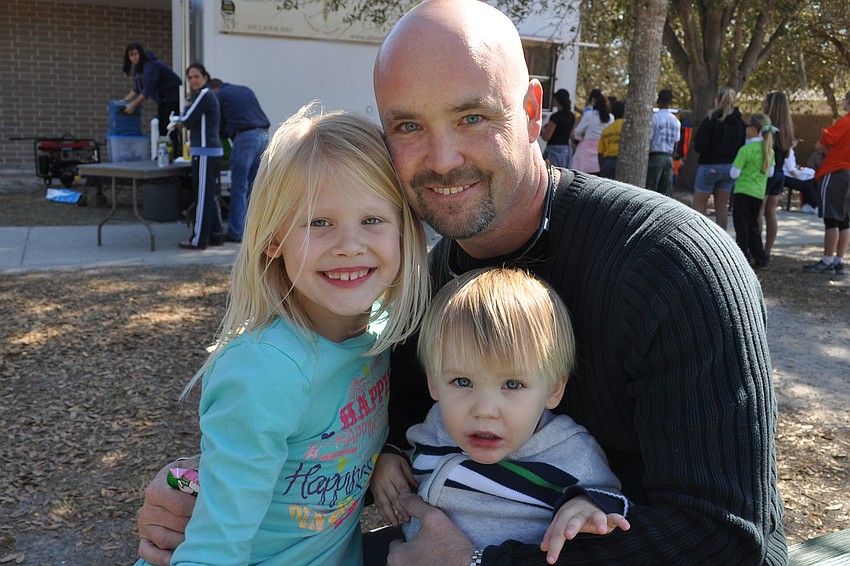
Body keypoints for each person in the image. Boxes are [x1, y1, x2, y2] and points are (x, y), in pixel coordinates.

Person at [137, 1, 787, 564]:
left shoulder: (671, 264)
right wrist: (196, 482)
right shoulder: (424, 286)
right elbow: (348, 436)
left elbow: (729, 540)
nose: (442, 159)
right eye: (409, 126)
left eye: (471, 116)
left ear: (532, 109)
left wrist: (479, 564)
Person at [135, 103, 429, 566]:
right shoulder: (264, 372)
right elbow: (215, 548)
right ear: (273, 238)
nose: (350, 244)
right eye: (319, 222)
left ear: (403, 232)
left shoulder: (380, 338)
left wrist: (384, 458)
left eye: (372, 219)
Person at [371, 267, 630, 565]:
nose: (484, 410)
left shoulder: (569, 451)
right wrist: (391, 456)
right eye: (462, 382)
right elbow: (415, 448)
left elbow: (611, 499)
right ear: (433, 382)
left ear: (554, 389)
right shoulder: (437, 425)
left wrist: (585, 506)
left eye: (512, 384)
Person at [207, 78, 270, 243]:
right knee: (255, 188)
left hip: (245, 139)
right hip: (264, 137)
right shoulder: (245, 89)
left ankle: (236, 232)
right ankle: (255, 231)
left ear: (214, 89)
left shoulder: (219, 95)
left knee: (239, 187)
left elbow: (218, 125)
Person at [175, 64, 225, 250]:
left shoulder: (204, 94)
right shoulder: (203, 96)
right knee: (210, 195)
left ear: (205, 77)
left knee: (203, 196)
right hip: (206, 151)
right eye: (190, 77)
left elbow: (186, 119)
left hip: (205, 151)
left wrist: (184, 112)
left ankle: (198, 239)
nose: (193, 80)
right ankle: (215, 235)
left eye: (197, 76)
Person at [802, 90, 850, 275]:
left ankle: (827, 260)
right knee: (845, 219)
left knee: (832, 219)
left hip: (835, 172)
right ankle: (839, 261)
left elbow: (821, 143)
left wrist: (827, 147)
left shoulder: (845, 122)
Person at [692, 87, 747, 229]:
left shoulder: (711, 119)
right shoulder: (740, 123)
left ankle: (697, 237)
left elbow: (700, 145)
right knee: (722, 209)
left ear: (717, 99)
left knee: (698, 208)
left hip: (709, 165)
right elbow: (742, 145)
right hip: (729, 167)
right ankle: (721, 242)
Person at [122, 42, 183, 159]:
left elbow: (147, 90)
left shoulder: (150, 65)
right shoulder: (138, 69)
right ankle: (165, 154)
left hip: (172, 96)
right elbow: (137, 88)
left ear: (140, 53)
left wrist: (133, 105)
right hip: (162, 99)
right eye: (131, 55)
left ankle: (173, 155)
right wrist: (123, 102)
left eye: (135, 54)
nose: (134, 57)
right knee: (162, 127)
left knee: (170, 127)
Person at [731, 113, 776, 269]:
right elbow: (770, 173)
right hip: (758, 192)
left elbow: (734, 173)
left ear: (753, 129)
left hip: (743, 190)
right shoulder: (769, 151)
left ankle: (742, 255)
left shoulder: (746, 149)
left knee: (741, 226)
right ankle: (760, 256)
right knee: (753, 225)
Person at [760, 92, 796, 258]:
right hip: (780, 173)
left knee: (758, 213)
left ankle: (757, 251)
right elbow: (788, 154)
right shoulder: (788, 127)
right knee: (771, 213)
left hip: (766, 172)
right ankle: (767, 251)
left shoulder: (767, 125)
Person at [645, 89, 681, 196]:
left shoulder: (654, 117)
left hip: (655, 156)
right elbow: (676, 142)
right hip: (668, 157)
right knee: (666, 191)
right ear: (670, 103)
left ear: (658, 101)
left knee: (651, 189)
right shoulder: (675, 121)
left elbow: (649, 138)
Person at [572, 89, 613, 174]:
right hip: (603, 153)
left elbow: (578, 132)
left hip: (585, 154)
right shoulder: (611, 117)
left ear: (593, 101)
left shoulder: (589, 114)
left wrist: (578, 140)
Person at [540, 89, 576, 168]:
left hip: (553, 151)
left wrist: (540, 131)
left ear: (557, 101)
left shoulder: (555, 117)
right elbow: (570, 135)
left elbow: (546, 137)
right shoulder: (572, 116)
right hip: (566, 150)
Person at [782, 140, 819, 213]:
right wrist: (798, 178)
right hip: (786, 177)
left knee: (812, 181)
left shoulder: (791, 151)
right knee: (807, 186)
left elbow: (791, 166)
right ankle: (815, 205)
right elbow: (790, 169)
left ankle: (807, 205)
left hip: (790, 174)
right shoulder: (788, 151)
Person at [597, 99, 625, 179]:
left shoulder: (606, 130)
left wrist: (602, 167)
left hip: (607, 162)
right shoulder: (629, 130)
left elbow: (600, 153)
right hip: (622, 161)